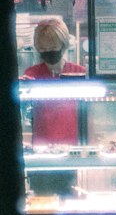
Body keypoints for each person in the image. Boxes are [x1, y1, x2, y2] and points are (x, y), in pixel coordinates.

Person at [23, 16, 87, 146]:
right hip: (42, 146)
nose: (48, 52)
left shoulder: (79, 73)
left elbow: (89, 113)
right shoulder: (31, 75)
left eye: (52, 48)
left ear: (63, 45)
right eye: (43, 49)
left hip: (74, 145)